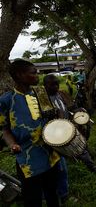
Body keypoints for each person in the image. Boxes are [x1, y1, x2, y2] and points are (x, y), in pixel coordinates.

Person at [0, 60, 60, 207]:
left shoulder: (41, 93)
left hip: (50, 154)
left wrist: (55, 116)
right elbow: (4, 129)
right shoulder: (5, 100)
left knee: (53, 195)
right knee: (33, 200)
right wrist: (12, 144)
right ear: (20, 75)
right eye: (33, 72)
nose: (37, 74)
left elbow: (51, 118)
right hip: (27, 160)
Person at [43, 75, 96, 203]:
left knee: (81, 149)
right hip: (53, 136)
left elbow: (71, 107)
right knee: (59, 168)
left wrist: (79, 111)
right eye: (52, 85)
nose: (55, 87)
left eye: (57, 84)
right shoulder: (43, 100)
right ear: (45, 86)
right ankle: (61, 194)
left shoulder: (61, 94)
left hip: (67, 129)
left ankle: (91, 166)